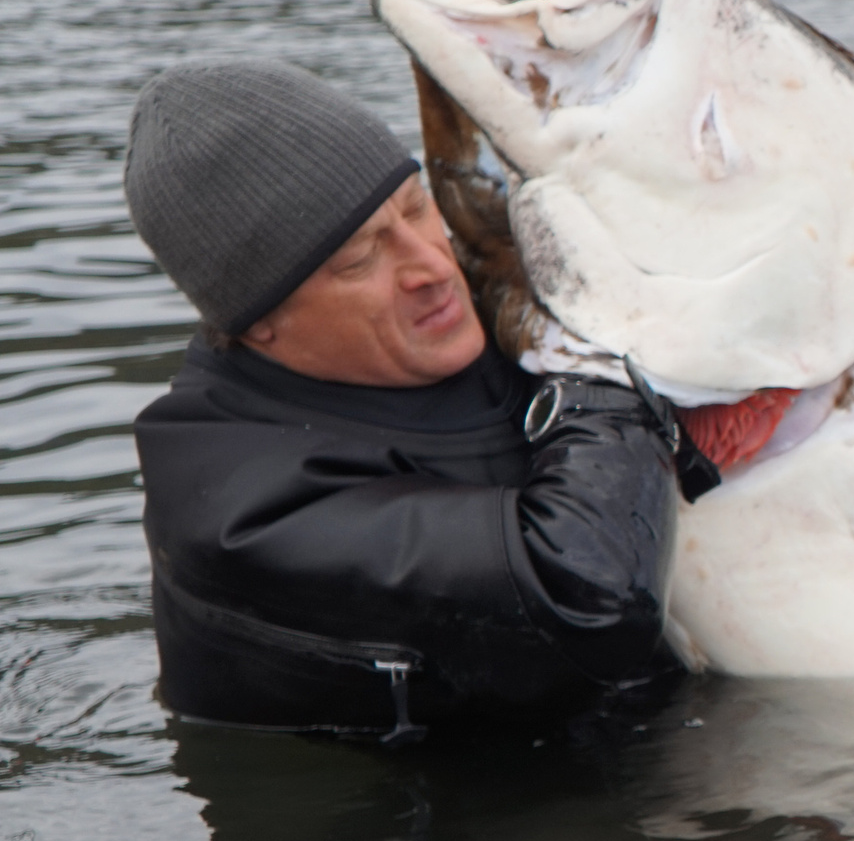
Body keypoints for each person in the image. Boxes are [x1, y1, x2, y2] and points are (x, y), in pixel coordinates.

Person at [126, 59, 707, 741]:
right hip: (471, 827)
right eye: (359, 260)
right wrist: (592, 370)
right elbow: (589, 595)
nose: (432, 267)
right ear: (258, 320)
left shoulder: (485, 315)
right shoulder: (240, 515)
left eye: (415, 207)